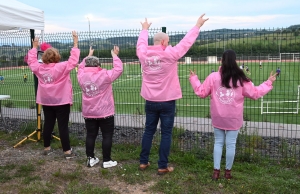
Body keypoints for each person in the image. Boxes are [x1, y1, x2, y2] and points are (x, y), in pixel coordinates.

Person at [137, 14, 209, 175]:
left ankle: (143, 162)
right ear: (163, 42)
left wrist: (144, 30)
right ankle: (162, 165)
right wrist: (197, 25)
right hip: (168, 100)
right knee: (166, 133)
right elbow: (186, 43)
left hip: (150, 99)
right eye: (168, 42)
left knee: (149, 130)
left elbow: (141, 44)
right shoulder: (170, 54)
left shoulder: (143, 54)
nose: (169, 44)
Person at [189, 50, 277, 180]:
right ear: (235, 61)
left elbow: (201, 92)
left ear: (222, 60)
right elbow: (255, 93)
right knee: (231, 144)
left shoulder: (214, 77)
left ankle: (216, 172)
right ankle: (228, 172)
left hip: (218, 117)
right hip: (234, 118)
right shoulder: (240, 79)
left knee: (218, 143)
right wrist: (268, 82)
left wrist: (194, 79)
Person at [25, 31, 80, 159]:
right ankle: (66, 150)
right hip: (61, 101)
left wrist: (34, 48)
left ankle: (47, 147)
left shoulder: (39, 68)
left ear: (44, 58)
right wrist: (75, 44)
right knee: (63, 126)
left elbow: (31, 62)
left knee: (48, 123)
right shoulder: (62, 67)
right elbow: (73, 60)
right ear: (57, 57)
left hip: (47, 100)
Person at [77, 46, 123, 168]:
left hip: (89, 112)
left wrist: (88, 56)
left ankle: (91, 158)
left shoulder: (81, 75)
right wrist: (115, 55)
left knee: (91, 135)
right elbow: (118, 69)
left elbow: (80, 67)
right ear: (98, 64)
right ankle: (106, 160)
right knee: (107, 135)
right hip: (105, 112)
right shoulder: (105, 75)